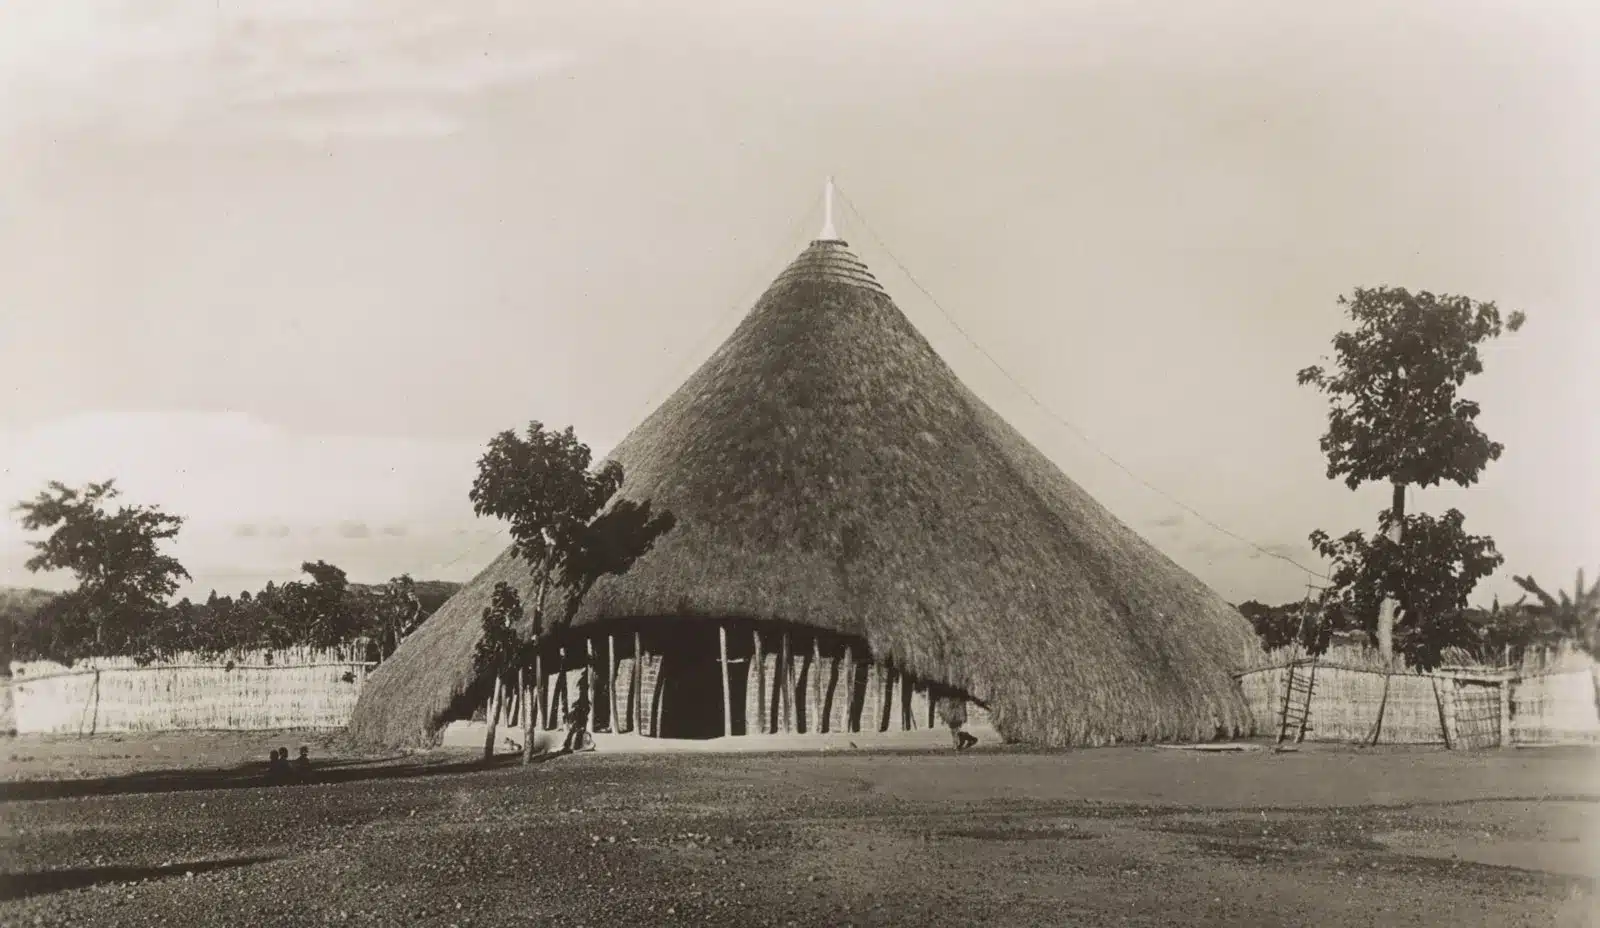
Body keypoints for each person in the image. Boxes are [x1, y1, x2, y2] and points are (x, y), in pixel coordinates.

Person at [562, 673, 592, 753]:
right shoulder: (583, 694)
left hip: (581, 714)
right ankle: (570, 745)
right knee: (576, 730)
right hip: (580, 715)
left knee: (577, 730)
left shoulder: (584, 694)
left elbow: (584, 704)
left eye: (581, 687)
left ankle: (574, 745)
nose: (580, 689)